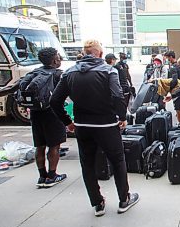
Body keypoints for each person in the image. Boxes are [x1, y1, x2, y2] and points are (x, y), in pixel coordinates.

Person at [50, 40, 139, 217]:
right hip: (106, 125)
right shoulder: (108, 71)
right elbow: (117, 95)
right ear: (99, 53)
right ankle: (124, 199)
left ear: (84, 53)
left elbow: (54, 101)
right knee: (118, 161)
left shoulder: (69, 72)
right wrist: (122, 117)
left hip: (82, 126)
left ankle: (97, 203)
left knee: (87, 164)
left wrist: (67, 121)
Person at [20, 47, 71, 188]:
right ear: (55, 60)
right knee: (54, 146)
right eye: (59, 57)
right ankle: (52, 175)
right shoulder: (58, 74)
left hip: (35, 113)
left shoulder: (34, 73)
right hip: (53, 113)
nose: (60, 59)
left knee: (40, 146)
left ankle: (42, 176)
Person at [164, 51, 180, 122]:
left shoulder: (173, 67)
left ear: (170, 57)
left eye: (167, 58)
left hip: (177, 90)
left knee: (178, 110)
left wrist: (170, 90)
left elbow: (174, 80)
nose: (167, 60)